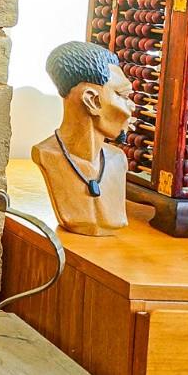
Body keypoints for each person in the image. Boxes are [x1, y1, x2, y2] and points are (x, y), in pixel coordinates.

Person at [32, 40, 133, 235]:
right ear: (91, 100)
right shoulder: (46, 155)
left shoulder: (118, 160)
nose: (131, 107)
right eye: (123, 96)